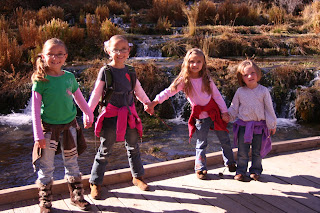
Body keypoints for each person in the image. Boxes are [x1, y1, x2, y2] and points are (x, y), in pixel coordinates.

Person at [146, 48, 236, 180]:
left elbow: (217, 96)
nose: (195, 64)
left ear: (203, 63)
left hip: (214, 112)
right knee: (201, 142)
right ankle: (200, 168)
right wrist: (154, 102)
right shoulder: (184, 80)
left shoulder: (207, 79)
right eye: (192, 61)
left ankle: (230, 162)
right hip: (200, 116)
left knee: (224, 139)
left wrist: (224, 112)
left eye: (198, 61)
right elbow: (168, 92)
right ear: (186, 63)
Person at [84, 35, 152, 200]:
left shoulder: (130, 71)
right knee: (105, 149)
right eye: (115, 49)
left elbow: (138, 89)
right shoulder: (106, 71)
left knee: (133, 146)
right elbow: (96, 93)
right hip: (111, 115)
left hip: (129, 115)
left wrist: (147, 102)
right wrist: (88, 112)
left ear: (129, 51)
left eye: (123, 49)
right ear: (108, 51)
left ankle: (137, 177)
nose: (120, 53)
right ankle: (95, 182)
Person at [31, 38, 94, 212]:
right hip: (49, 130)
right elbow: (35, 112)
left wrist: (89, 114)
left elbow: (79, 99)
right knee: (47, 166)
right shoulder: (40, 80)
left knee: (72, 163)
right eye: (51, 54)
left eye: (59, 54)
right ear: (43, 56)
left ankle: (76, 196)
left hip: (70, 128)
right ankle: (45, 200)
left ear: (65, 56)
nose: (55, 57)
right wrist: (38, 136)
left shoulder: (69, 77)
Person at [228, 59, 277, 182]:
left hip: (259, 127)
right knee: (242, 152)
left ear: (258, 74)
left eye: (253, 73)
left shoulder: (263, 91)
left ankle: (255, 171)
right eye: (246, 75)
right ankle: (241, 171)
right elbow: (234, 107)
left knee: (257, 151)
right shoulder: (240, 92)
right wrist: (227, 116)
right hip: (243, 126)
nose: (250, 76)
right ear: (241, 78)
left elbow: (269, 109)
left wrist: (272, 124)